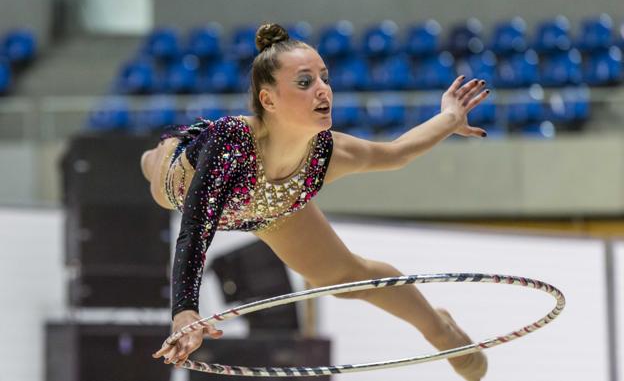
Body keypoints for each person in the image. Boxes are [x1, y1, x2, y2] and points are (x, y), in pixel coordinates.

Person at [145, 23, 490, 381]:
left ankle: (441, 331)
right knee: (153, 162)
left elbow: (396, 153)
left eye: (324, 78)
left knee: (348, 277)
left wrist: (449, 117)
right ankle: (153, 154)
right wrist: (185, 310)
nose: (323, 90)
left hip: (275, 210)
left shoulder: (327, 152)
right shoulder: (232, 142)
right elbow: (196, 231)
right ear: (268, 99)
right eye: (305, 82)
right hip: (180, 186)